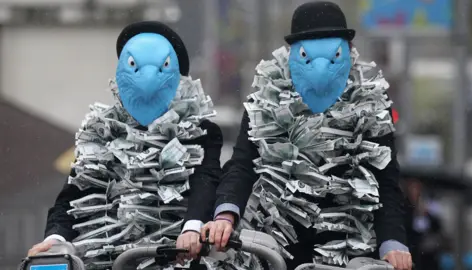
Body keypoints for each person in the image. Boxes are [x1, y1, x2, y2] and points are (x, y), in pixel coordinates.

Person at [201, 2, 412, 270]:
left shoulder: (372, 108)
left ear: (348, 53)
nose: (320, 70)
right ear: (290, 54)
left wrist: (393, 244)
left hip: (346, 251)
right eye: (307, 56)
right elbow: (242, 165)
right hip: (274, 248)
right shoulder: (263, 104)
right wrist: (226, 215)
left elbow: (386, 183)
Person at [27, 21, 223, 267]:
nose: (148, 77)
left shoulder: (201, 132)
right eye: (134, 65)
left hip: (173, 257)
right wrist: (56, 238)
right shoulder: (100, 132)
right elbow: (73, 195)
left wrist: (192, 227)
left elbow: (206, 181)